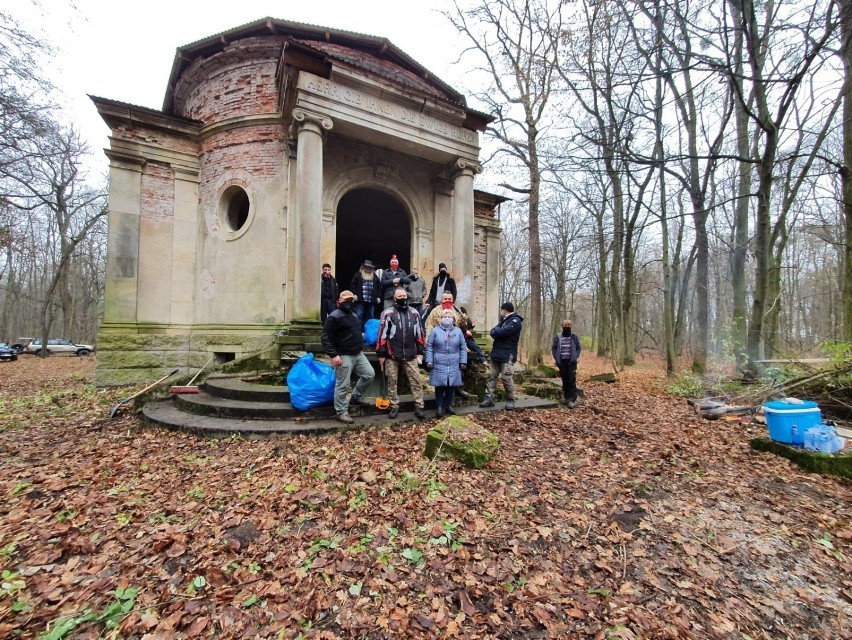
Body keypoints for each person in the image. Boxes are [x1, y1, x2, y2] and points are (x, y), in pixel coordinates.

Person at [321, 290, 375, 424]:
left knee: (369, 374)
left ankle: (356, 397)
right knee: (342, 385)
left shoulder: (355, 316)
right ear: (339, 301)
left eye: (351, 300)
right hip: (343, 355)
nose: (348, 303)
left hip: (358, 353)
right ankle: (341, 412)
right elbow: (326, 337)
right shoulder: (334, 317)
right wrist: (333, 355)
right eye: (346, 301)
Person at [376, 288, 426, 420]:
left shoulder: (414, 313)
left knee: (416, 380)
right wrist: (381, 353)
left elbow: (420, 333)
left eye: (404, 295)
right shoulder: (387, 313)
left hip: (411, 354)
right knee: (392, 381)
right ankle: (394, 406)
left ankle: (419, 405)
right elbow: (382, 334)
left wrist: (421, 351)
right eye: (400, 296)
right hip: (392, 354)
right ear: (394, 298)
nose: (403, 298)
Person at [479, 302, 523, 410]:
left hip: (508, 354)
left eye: (502, 310)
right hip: (497, 352)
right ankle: (489, 398)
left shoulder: (515, 321)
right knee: (492, 375)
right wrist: (497, 332)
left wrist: (498, 332)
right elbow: (493, 332)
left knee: (506, 377)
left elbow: (504, 332)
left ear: (506, 310)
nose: (501, 312)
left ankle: (510, 399)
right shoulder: (503, 320)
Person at [425, 308, 468, 418]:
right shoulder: (435, 331)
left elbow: (463, 347)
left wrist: (463, 361)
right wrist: (429, 360)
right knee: (440, 386)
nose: (447, 318)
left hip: (454, 362)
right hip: (439, 361)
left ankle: (449, 405)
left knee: (451, 385)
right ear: (441, 319)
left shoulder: (458, 331)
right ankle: (439, 406)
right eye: (445, 317)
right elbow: (429, 347)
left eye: (449, 317)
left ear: (453, 319)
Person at [552, 320, 581, 408]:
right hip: (562, 362)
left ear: (571, 326)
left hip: (571, 362)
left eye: (569, 325)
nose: (567, 327)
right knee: (564, 380)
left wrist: (575, 357)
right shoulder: (558, 336)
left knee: (571, 380)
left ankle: (572, 399)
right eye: (565, 325)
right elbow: (554, 347)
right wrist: (556, 358)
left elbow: (578, 347)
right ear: (562, 326)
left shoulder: (574, 336)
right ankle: (566, 397)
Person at [350, 259, 381, 326]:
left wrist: (378, 296)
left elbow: (379, 287)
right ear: (364, 267)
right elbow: (353, 285)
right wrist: (354, 294)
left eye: (370, 267)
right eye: (367, 267)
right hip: (360, 300)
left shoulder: (375, 277)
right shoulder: (358, 275)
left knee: (370, 316)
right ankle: (358, 331)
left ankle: (368, 331)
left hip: (371, 300)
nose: (368, 269)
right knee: (359, 315)